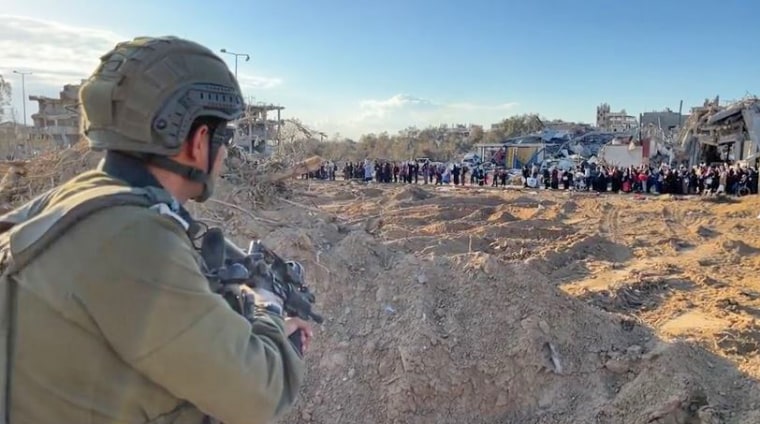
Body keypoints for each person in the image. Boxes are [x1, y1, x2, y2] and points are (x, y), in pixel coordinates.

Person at [4, 36, 313, 424]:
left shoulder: (65, 204)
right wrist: (269, 309)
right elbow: (259, 396)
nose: (225, 153)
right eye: (225, 138)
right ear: (199, 142)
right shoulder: (131, 237)